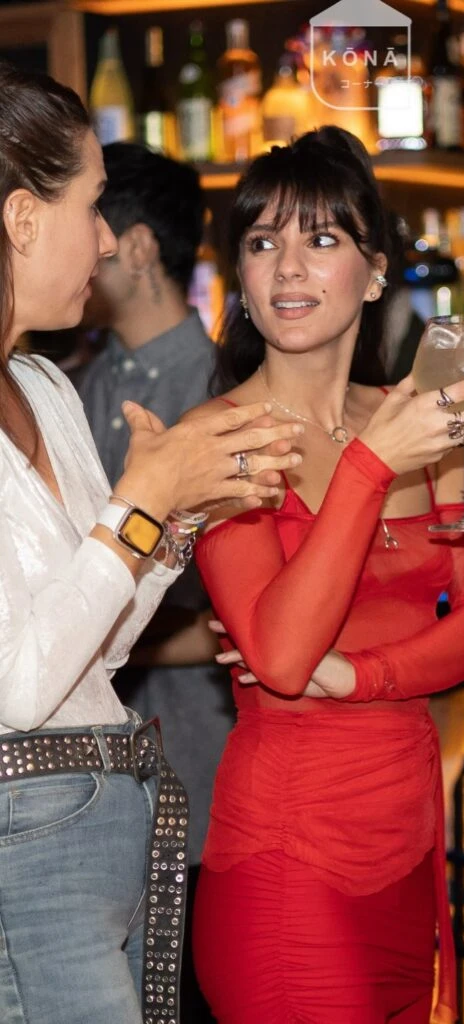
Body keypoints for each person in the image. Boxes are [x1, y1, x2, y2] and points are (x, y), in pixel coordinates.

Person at [184, 125, 464, 1024]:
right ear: (240, 277)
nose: (288, 268)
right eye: (263, 244)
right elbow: (284, 656)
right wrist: (372, 466)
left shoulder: (418, 421)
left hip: (410, 855)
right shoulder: (219, 440)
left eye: (321, 239)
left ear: (374, 273)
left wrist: (363, 675)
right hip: (289, 863)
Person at [0, 62, 304, 1024]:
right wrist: (142, 500)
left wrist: (177, 518)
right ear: (22, 219)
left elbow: (99, 645)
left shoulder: (45, 385)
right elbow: (17, 686)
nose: (104, 239)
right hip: (23, 832)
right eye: (90, 206)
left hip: (105, 809)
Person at [75, 141, 232, 1021]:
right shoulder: (72, 384)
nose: (87, 249)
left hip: (193, 763)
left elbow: (240, 613)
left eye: (94, 225)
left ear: (136, 247)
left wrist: (86, 643)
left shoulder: (218, 392)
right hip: (86, 780)